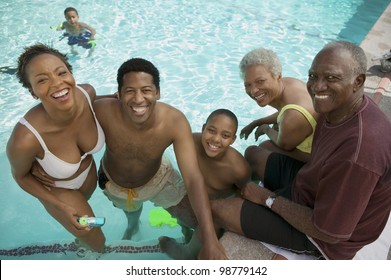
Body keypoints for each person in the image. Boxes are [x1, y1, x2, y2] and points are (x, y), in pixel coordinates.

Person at [210, 41, 391, 260]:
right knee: (255, 155)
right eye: (313, 76)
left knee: (216, 210)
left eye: (331, 78)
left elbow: (328, 232)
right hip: (313, 188)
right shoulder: (336, 108)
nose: (317, 87)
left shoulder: (358, 153)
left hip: (326, 235)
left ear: (358, 81)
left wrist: (267, 199)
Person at [93, 58, 227, 259]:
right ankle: (133, 226)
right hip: (114, 184)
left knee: (192, 221)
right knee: (131, 213)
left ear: (158, 92)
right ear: (118, 94)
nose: (139, 99)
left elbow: (192, 177)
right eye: (130, 91)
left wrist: (209, 238)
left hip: (159, 179)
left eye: (146, 90)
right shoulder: (102, 110)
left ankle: (185, 234)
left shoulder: (174, 121)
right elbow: (74, 102)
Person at [6, 44, 105, 252]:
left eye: (62, 73)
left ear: (71, 73)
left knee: (90, 231)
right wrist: (59, 206)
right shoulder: (25, 138)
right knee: (98, 241)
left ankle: (83, 246)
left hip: (88, 177)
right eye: (42, 80)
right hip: (59, 191)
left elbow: (105, 107)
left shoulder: (88, 94)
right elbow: (21, 177)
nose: (57, 83)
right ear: (33, 92)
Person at [159, 109, 251, 259]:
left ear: (233, 140)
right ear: (203, 129)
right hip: (192, 195)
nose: (215, 139)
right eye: (211, 131)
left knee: (214, 220)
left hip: (218, 205)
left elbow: (243, 196)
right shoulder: (190, 143)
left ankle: (185, 253)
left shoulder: (239, 169)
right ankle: (186, 232)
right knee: (176, 201)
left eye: (225, 136)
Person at [239, 47, 318, 164]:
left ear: (278, 76)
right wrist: (256, 123)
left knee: (256, 151)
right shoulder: (290, 83)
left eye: (260, 81)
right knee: (277, 127)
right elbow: (285, 112)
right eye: (248, 85)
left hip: (315, 164)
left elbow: (284, 144)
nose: (253, 91)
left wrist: (265, 129)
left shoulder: (293, 115)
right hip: (317, 143)